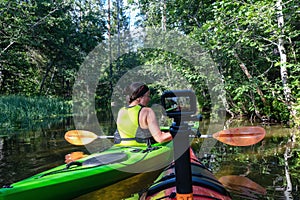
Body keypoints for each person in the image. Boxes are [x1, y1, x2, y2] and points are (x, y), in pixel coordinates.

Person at [115, 82, 172, 146]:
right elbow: (160, 138)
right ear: (139, 97)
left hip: (123, 147)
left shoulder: (121, 111)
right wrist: (178, 132)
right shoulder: (147, 111)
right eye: (148, 96)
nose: (149, 99)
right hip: (143, 149)